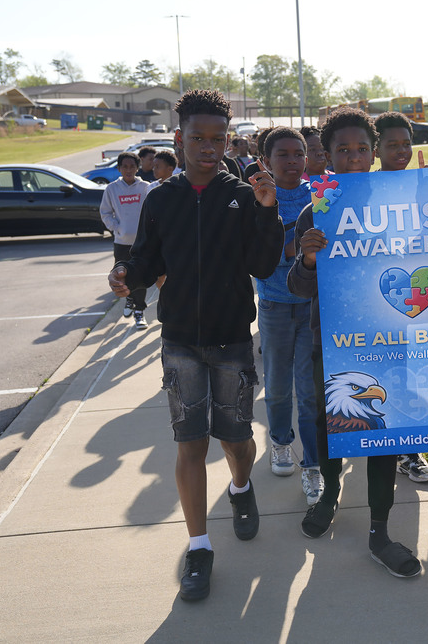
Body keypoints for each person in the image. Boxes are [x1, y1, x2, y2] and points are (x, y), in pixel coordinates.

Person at [108, 89, 283, 602]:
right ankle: (200, 546)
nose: (208, 147)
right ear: (178, 139)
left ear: (227, 140)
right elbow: (143, 259)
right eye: (196, 138)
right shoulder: (162, 198)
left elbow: (263, 265)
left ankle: (241, 487)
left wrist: (268, 211)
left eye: (217, 139)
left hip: (231, 338)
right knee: (190, 444)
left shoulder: (245, 193)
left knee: (236, 440)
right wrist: (126, 275)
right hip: (180, 339)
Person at [288, 106, 422, 579]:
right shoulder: (316, 207)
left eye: (362, 149)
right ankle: (329, 493)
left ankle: (380, 530)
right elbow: (298, 287)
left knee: (385, 432)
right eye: (342, 150)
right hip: (335, 343)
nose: (353, 158)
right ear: (327, 154)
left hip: (390, 341)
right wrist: (307, 260)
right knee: (332, 429)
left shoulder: (404, 200)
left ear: (374, 151)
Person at [254, 126, 324, 505]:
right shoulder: (259, 198)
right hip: (276, 305)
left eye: (299, 153)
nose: (294, 161)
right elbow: (260, 255)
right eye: (283, 154)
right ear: (266, 160)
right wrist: (298, 243)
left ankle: (313, 466)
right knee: (278, 386)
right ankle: (281, 442)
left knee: (311, 390)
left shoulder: (323, 193)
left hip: (314, 306)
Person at [372, 111, 428, 484]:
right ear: (377, 148)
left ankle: (409, 452)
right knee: (382, 374)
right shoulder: (360, 188)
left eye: (406, 144)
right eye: (391, 144)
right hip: (376, 296)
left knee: (409, 375)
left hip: (417, 297)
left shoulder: (425, 183)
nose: (401, 151)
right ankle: (381, 445)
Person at [99, 151, 151, 329]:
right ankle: (129, 299)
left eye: (132, 166)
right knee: (124, 276)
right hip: (121, 242)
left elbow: (152, 211)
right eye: (125, 167)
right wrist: (116, 227)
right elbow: (105, 212)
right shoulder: (112, 189)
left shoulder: (145, 187)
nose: (129, 170)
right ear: (119, 168)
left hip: (142, 243)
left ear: (138, 167)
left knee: (141, 276)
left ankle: (139, 312)